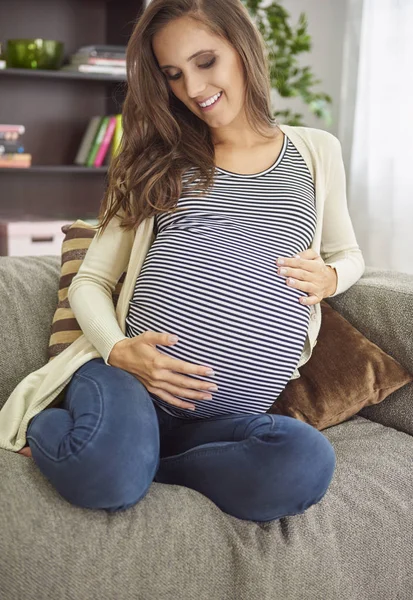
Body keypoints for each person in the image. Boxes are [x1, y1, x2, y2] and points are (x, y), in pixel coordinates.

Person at [2, 0, 365, 521]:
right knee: (107, 479)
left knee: (305, 461)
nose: (193, 89)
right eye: (173, 75)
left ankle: (149, 462)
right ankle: (64, 428)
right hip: (127, 386)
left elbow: (349, 255)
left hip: (223, 421)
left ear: (243, 50)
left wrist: (332, 277)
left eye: (205, 61)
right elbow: (91, 282)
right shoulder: (157, 160)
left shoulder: (315, 151)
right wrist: (119, 350)